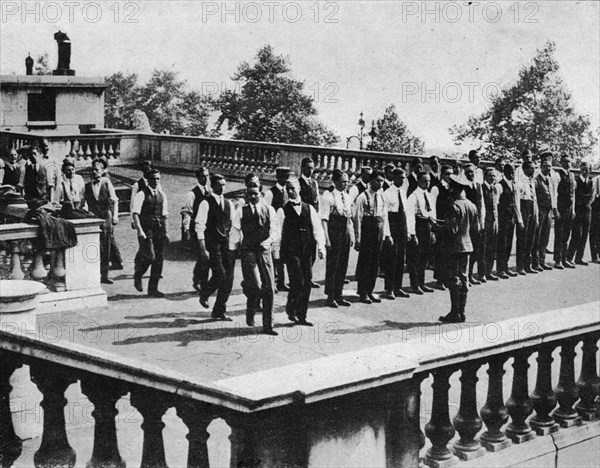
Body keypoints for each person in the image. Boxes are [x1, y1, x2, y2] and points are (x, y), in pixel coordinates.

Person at [232, 182, 279, 335]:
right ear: (247, 194)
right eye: (250, 194)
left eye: (255, 193)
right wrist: (232, 251)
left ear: (261, 194)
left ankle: (268, 325)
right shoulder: (241, 211)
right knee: (256, 286)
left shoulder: (269, 210)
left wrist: (268, 242)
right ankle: (251, 308)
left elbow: (275, 232)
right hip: (248, 251)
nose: (252, 196)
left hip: (264, 250)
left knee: (269, 287)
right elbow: (235, 232)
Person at [278, 177, 325, 326]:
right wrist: (277, 253)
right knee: (297, 280)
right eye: (288, 189)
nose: (291, 191)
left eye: (293, 188)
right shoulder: (282, 211)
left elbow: (317, 228)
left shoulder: (309, 208)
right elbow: (278, 233)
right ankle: (291, 308)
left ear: (299, 188)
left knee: (307, 282)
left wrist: (321, 247)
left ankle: (302, 315)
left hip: (307, 250)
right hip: (291, 251)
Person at [438, 175, 480, 323]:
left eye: (451, 187)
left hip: (454, 246)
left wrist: (436, 226)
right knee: (464, 277)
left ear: (456, 189)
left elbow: (451, 230)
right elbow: (477, 228)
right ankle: (461, 312)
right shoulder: (471, 205)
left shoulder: (453, 205)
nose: (449, 190)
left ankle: (454, 312)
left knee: (454, 278)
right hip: (467, 245)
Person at [197, 174, 236, 321]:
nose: (222, 187)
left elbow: (231, 224)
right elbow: (200, 226)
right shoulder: (205, 203)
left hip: (226, 244)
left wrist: (232, 244)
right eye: (219, 185)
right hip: (212, 244)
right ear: (212, 186)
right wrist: (202, 247)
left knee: (229, 279)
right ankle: (205, 293)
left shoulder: (228, 204)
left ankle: (219, 310)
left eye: (224, 184)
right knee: (220, 275)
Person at [353, 170, 392, 303]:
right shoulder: (362, 197)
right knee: (366, 261)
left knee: (375, 262)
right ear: (371, 181)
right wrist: (357, 238)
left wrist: (387, 235)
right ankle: (362, 292)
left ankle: (370, 291)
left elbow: (385, 216)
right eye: (377, 180)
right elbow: (357, 218)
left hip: (379, 229)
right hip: (367, 230)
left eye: (382, 181)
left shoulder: (382, 196)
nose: (380, 183)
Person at [132, 169, 169, 297]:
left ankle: (153, 288)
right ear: (148, 180)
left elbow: (164, 215)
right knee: (150, 256)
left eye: (158, 179)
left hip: (158, 230)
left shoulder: (162, 195)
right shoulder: (141, 194)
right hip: (146, 229)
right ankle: (138, 275)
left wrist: (166, 232)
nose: (156, 181)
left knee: (159, 260)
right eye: (153, 179)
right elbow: (135, 213)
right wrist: (139, 230)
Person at [321, 169, 354, 307]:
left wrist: (351, 234)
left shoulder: (347, 197)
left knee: (343, 264)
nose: (345, 184)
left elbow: (349, 218)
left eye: (347, 182)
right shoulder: (328, 196)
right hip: (334, 232)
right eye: (342, 182)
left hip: (344, 231)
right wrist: (327, 239)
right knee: (333, 265)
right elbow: (324, 219)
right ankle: (330, 296)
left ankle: (339, 294)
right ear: (335, 182)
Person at [84, 159, 119, 285]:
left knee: (106, 246)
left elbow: (114, 200)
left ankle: (104, 275)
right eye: (93, 169)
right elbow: (84, 203)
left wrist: (115, 216)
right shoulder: (87, 186)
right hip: (93, 218)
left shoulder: (106, 182)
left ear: (102, 171)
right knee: (93, 246)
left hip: (106, 217)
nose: (94, 172)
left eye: (97, 170)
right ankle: (93, 274)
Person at [382, 168, 411, 299]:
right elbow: (385, 216)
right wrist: (387, 234)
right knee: (391, 259)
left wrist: (408, 231)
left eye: (404, 178)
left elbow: (406, 212)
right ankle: (389, 289)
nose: (402, 180)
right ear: (394, 178)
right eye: (400, 178)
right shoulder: (387, 193)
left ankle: (398, 287)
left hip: (402, 225)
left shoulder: (403, 192)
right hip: (392, 224)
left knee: (401, 258)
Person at [406, 171, 436, 294]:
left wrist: (433, 231)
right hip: (418, 227)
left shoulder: (429, 195)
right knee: (415, 258)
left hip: (427, 227)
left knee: (424, 257)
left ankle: (422, 283)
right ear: (418, 181)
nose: (427, 183)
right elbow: (410, 216)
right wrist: (413, 234)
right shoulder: (413, 196)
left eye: (428, 180)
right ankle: (415, 285)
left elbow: (432, 214)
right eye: (424, 180)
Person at [183, 167, 211, 292]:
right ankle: (201, 282)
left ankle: (197, 279)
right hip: (196, 228)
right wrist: (186, 229)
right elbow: (187, 212)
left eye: (207, 176)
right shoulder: (192, 194)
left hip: (208, 228)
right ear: (198, 178)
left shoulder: (210, 191)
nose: (205, 178)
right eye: (203, 176)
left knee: (204, 256)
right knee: (203, 255)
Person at [264, 166, 291, 292]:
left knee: (283, 255)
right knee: (274, 255)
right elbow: (265, 212)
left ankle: (281, 281)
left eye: (287, 176)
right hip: (274, 229)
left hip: (286, 228)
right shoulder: (270, 193)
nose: (286, 179)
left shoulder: (289, 191)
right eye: (283, 176)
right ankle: (272, 281)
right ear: (277, 177)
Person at [430, 165, 454, 289]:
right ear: (442, 175)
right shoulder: (436, 188)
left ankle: (448, 277)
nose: (449, 176)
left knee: (450, 252)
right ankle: (440, 279)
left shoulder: (453, 188)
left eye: (451, 174)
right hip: (440, 223)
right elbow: (432, 206)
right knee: (441, 252)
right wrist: (434, 224)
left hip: (451, 224)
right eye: (447, 174)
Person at [299, 157, 321, 289]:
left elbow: (317, 200)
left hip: (312, 220)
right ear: (302, 168)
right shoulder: (298, 183)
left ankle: (309, 277)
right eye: (308, 168)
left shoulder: (314, 183)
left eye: (312, 168)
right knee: (303, 250)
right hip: (302, 221)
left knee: (313, 250)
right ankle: (302, 277)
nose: (310, 170)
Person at [532, 156, 558, 271]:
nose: (548, 168)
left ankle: (542, 261)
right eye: (545, 166)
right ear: (541, 167)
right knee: (537, 237)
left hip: (548, 211)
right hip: (540, 211)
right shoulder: (536, 180)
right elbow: (535, 199)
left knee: (545, 237)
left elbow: (552, 195)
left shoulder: (550, 179)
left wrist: (553, 209)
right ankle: (535, 262)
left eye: (549, 166)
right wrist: (537, 214)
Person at [463, 163, 485, 284]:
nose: (470, 174)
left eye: (472, 172)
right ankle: (465, 276)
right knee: (467, 250)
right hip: (466, 222)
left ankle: (470, 275)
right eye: (467, 172)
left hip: (476, 221)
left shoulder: (478, 185)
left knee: (475, 249)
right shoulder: (462, 186)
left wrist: (481, 221)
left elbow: (481, 204)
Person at [515, 160, 538, 275]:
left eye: (534, 168)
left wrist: (536, 217)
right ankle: (520, 266)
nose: (532, 170)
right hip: (524, 211)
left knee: (530, 240)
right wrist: (519, 220)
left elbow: (535, 200)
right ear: (524, 169)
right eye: (530, 168)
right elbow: (517, 203)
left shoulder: (533, 182)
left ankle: (527, 265)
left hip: (532, 211)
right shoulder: (519, 183)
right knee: (522, 241)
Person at [567, 162, 593, 266]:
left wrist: (588, 205)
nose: (584, 172)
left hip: (587, 211)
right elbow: (573, 197)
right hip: (578, 211)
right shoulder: (576, 182)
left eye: (586, 170)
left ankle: (579, 258)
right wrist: (573, 210)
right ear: (580, 170)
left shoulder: (590, 182)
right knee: (577, 235)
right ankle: (569, 258)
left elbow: (591, 196)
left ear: (589, 170)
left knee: (584, 236)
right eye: (582, 170)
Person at [554, 155, 576, 269]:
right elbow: (555, 193)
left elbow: (573, 194)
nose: (568, 164)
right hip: (560, 208)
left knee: (567, 234)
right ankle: (557, 260)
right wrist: (556, 209)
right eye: (566, 162)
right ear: (561, 162)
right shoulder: (558, 175)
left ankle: (564, 259)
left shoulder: (572, 175)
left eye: (569, 162)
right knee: (559, 234)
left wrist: (573, 210)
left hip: (569, 209)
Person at [496, 164, 518, 278]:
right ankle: (500, 269)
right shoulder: (500, 186)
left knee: (509, 243)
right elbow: (496, 203)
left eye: (513, 172)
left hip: (511, 218)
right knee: (502, 244)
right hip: (503, 219)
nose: (512, 174)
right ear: (504, 172)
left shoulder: (513, 185)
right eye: (509, 172)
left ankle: (505, 266)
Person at [481, 167, 499, 280]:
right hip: (485, 221)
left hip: (493, 221)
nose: (492, 178)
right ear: (485, 177)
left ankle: (489, 272)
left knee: (492, 247)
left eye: (494, 176)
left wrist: (496, 221)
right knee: (483, 248)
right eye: (490, 176)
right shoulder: (482, 188)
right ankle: (482, 273)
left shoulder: (494, 189)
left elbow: (495, 206)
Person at [39, 138, 57, 202]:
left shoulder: (53, 160)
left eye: (46, 146)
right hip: (41, 188)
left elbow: (57, 175)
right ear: (40, 147)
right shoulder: (38, 160)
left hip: (51, 187)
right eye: (43, 146)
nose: (45, 148)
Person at [589, 173, 600, 263]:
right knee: (594, 231)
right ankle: (594, 255)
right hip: (596, 207)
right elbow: (592, 195)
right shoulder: (596, 179)